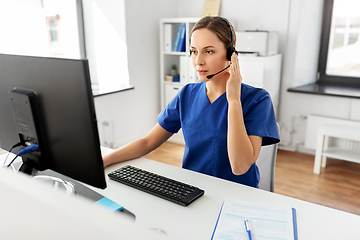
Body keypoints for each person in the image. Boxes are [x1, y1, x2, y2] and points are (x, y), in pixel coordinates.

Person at [103, 16, 280, 188]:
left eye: (208, 51)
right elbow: (148, 142)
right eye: (194, 51)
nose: (198, 61)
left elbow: (240, 166)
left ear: (230, 54)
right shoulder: (188, 94)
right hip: (193, 192)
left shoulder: (257, 100)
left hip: (238, 196)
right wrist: (105, 160)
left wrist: (233, 100)